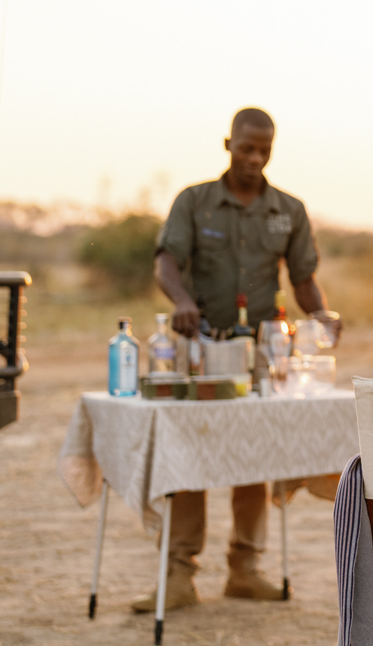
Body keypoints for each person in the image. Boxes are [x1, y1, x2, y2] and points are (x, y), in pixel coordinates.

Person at [134, 106, 341, 613]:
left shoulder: (288, 210)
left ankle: (244, 569)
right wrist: (182, 300)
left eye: (263, 150)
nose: (254, 158)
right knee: (190, 450)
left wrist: (321, 314)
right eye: (246, 148)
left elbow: (303, 277)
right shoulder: (195, 202)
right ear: (228, 145)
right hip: (202, 345)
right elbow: (166, 261)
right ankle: (178, 574)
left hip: (263, 351)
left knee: (255, 450)